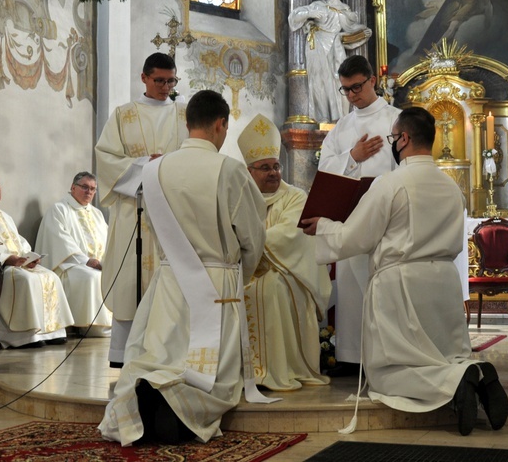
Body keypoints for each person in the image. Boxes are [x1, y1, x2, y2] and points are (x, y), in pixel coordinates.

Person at [302, 107, 508, 436]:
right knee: (444, 354)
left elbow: (356, 237)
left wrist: (323, 226)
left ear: (404, 138)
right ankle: (474, 371)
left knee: (388, 370)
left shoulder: (391, 183)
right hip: (442, 282)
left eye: (392, 138)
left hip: (401, 285)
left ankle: (458, 381)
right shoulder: (451, 188)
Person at [98, 90, 275, 446]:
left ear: (187, 123)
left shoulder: (154, 169)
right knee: (213, 374)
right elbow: (253, 236)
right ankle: (177, 407)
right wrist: (240, 273)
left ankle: (147, 393)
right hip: (217, 284)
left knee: (163, 353)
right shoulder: (229, 170)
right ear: (220, 124)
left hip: (169, 279)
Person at [95, 52, 189, 368]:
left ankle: (166, 351)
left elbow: (196, 157)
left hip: (173, 210)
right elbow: (106, 158)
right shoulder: (124, 115)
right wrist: (144, 167)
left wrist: (169, 166)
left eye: (171, 81)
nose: (166, 87)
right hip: (133, 209)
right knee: (129, 281)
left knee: (171, 283)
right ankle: (126, 353)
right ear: (144, 78)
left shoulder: (184, 115)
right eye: (160, 80)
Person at [317, 55, 399, 375]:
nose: (351, 96)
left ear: (372, 81)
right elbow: (325, 171)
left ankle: (385, 356)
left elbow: (403, 167)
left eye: (356, 88)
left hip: (385, 222)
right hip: (349, 220)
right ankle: (352, 358)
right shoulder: (342, 128)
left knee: (381, 290)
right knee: (351, 289)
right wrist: (353, 157)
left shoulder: (396, 120)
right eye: (345, 90)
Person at [237, 115, 331, 391]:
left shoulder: (295, 197)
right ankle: (241, 371)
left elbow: (288, 236)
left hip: (287, 272)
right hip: (246, 268)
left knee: (270, 289)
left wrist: (248, 251)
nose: (273, 173)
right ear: (249, 172)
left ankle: (274, 370)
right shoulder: (241, 196)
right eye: (264, 168)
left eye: (276, 166)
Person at [0, 174, 74, 349]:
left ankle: (51, 332)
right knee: (26, 280)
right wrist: (7, 259)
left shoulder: (5, 216)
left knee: (50, 276)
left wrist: (28, 257)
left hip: (16, 264)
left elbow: (18, 241)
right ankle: (24, 336)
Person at [35, 172, 111, 337]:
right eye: (84, 187)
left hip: (97, 264)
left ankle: (112, 324)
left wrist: (107, 262)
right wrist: (86, 260)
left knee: (115, 275)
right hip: (70, 265)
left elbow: (108, 240)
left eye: (92, 189)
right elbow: (60, 241)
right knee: (93, 278)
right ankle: (90, 325)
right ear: (73, 187)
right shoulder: (59, 209)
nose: (88, 192)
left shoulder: (97, 214)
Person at [288, 0, 372, 124]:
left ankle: (339, 116)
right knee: (317, 80)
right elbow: (294, 17)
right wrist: (309, 14)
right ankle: (323, 116)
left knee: (337, 79)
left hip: (334, 45)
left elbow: (351, 28)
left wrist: (364, 32)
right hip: (316, 45)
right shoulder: (318, 5)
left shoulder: (343, 10)